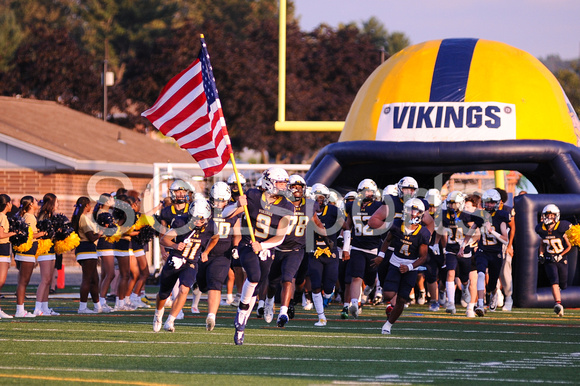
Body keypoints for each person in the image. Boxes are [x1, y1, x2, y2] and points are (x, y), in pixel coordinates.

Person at [223, 167, 294, 345]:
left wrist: (262, 245)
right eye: (280, 182)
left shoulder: (287, 206)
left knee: (258, 285)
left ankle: (241, 326)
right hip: (247, 244)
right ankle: (240, 313)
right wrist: (237, 205)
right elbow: (225, 215)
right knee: (253, 277)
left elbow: (280, 237)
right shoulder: (253, 196)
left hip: (266, 247)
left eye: (285, 182)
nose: (283, 186)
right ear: (269, 181)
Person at [153, 199, 219, 332]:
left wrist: (206, 251)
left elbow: (215, 238)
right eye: (195, 218)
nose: (198, 222)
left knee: (184, 289)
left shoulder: (211, 226)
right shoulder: (181, 222)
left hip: (191, 263)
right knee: (163, 294)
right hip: (175, 259)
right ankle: (158, 314)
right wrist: (174, 245)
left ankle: (170, 320)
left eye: (201, 219)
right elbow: (163, 239)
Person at [264, 175, 321, 327]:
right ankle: (269, 301)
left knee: (288, 279)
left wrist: (329, 240)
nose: (297, 190)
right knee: (272, 283)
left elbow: (317, 223)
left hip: (296, 249)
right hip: (277, 247)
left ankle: (283, 312)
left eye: (300, 187)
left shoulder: (309, 205)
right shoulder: (280, 203)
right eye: (294, 187)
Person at [373, 198, 431, 334]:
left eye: (416, 212)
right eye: (411, 211)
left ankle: (388, 325)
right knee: (387, 294)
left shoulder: (423, 233)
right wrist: (381, 255)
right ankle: (391, 300)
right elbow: (387, 240)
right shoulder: (397, 225)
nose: (413, 214)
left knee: (402, 299)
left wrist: (410, 267)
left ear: (421, 214)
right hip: (395, 262)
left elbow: (423, 257)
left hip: (411, 266)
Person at [197, 181, 241, 331]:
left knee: (215, 283)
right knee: (202, 284)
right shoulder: (205, 210)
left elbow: (237, 233)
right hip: (203, 252)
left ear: (227, 200)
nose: (218, 203)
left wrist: (235, 247)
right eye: (216, 200)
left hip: (223, 253)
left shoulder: (233, 212)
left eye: (222, 200)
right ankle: (198, 286)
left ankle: (211, 315)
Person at [342, 179, 384, 318]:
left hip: (373, 248)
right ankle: (355, 303)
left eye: (371, 191)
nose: (368, 193)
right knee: (356, 276)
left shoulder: (380, 206)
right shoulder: (352, 206)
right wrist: (346, 248)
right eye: (366, 190)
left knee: (371, 280)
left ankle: (368, 291)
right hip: (357, 247)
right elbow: (348, 227)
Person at [308, 183, 343, 326]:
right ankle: (321, 317)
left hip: (331, 252)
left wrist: (344, 246)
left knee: (329, 286)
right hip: (314, 251)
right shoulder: (307, 211)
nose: (319, 200)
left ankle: (328, 295)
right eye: (317, 197)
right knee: (315, 285)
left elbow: (345, 227)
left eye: (322, 197)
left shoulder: (334, 210)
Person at [471, 189, 509, 316]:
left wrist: (492, 231)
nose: (489, 205)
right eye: (487, 202)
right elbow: (472, 229)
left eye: (492, 203)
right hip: (482, 250)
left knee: (492, 283)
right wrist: (463, 244)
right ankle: (480, 304)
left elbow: (505, 240)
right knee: (481, 274)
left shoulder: (501, 216)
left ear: (497, 203)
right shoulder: (480, 214)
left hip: (496, 253)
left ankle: (493, 292)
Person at [440, 191, 477, 316]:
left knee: (465, 279)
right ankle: (450, 303)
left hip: (465, 250)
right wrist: (439, 245)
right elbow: (441, 231)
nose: (452, 206)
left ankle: (465, 289)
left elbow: (476, 231)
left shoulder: (467, 216)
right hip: (451, 249)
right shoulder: (444, 215)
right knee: (450, 273)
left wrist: (468, 243)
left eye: (454, 204)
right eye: (450, 203)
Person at [535, 204, 571, 316]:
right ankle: (558, 304)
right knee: (554, 280)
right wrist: (541, 254)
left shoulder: (561, 227)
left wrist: (561, 255)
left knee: (563, 284)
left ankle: (558, 293)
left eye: (551, 215)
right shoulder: (541, 228)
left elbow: (569, 246)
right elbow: (542, 243)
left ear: (556, 216)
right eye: (547, 215)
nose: (548, 217)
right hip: (549, 259)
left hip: (561, 259)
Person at [14, 196, 45, 318]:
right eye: (36, 201)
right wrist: (43, 234)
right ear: (31, 205)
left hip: (26, 253)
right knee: (23, 282)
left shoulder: (27, 216)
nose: (38, 203)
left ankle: (20, 309)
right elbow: (29, 235)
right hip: (26, 253)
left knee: (22, 282)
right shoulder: (30, 217)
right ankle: (20, 310)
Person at [72, 197, 103, 313]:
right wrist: (100, 233)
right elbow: (91, 237)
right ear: (86, 206)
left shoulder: (82, 217)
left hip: (88, 249)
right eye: (89, 205)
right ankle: (82, 307)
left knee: (95, 279)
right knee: (87, 279)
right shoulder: (83, 218)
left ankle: (98, 306)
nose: (90, 207)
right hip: (86, 249)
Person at [34, 193, 60, 316]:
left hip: (51, 249)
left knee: (49, 280)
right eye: (56, 202)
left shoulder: (52, 216)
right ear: (51, 203)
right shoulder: (43, 216)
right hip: (44, 249)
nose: (58, 204)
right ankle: (37, 307)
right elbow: (40, 233)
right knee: (45, 280)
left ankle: (45, 308)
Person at [495, 188, 516, 311]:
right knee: (490, 271)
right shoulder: (487, 211)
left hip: (504, 244)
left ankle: (509, 297)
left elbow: (512, 228)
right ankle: (496, 293)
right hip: (490, 244)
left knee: (505, 272)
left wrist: (509, 246)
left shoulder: (508, 210)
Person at [94, 193, 116, 312]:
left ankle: (99, 301)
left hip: (107, 243)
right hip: (105, 243)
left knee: (104, 275)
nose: (113, 201)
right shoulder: (102, 213)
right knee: (111, 274)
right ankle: (101, 301)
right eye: (111, 199)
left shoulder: (106, 212)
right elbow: (106, 231)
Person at [0, 194, 16, 318]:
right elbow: (1, 235)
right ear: (7, 204)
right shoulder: (2, 216)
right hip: (2, 249)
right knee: (1, 281)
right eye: (10, 203)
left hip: (4, 250)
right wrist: (15, 233)